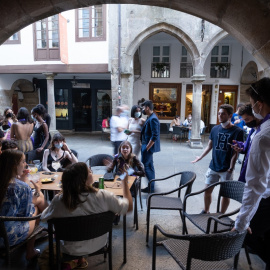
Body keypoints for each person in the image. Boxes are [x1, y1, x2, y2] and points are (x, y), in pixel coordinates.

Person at [41, 162, 133, 268]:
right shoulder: (104, 196)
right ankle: (79, 260)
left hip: (70, 249)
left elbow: (44, 217)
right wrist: (125, 184)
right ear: (83, 179)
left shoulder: (60, 201)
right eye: (89, 171)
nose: (92, 172)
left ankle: (75, 260)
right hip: (99, 244)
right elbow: (129, 207)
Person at [232, 78, 270, 270]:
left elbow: (256, 184)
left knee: (251, 238)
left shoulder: (263, 136)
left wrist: (241, 222)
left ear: (259, 104)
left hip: (267, 200)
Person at [191, 104, 244, 214]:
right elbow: (209, 146)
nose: (220, 116)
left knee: (225, 194)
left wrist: (231, 167)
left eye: (223, 114)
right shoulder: (215, 129)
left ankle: (221, 214)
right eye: (219, 113)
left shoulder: (237, 131)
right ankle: (206, 210)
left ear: (230, 115)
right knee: (207, 190)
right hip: (213, 166)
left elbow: (236, 152)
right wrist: (200, 157)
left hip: (227, 169)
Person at [0, 150, 48, 260]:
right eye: (23, 162)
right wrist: (36, 190)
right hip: (8, 237)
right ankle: (30, 251)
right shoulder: (21, 187)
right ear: (14, 165)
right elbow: (26, 214)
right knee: (35, 207)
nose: (25, 164)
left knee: (36, 200)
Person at [230, 104, 261, 183]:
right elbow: (247, 147)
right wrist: (240, 146)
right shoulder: (253, 130)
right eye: (244, 120)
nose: (246, 122)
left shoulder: (263, 131)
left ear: (255, 116)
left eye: (247, 119)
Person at [140, 100, 160, 193]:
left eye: (143, 107)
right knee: (150, 166)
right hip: (145, 145)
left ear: (147, 107)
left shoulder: (153, 118)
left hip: (147, 147)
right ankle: (151, 187)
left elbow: (155, 135)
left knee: (147, 167)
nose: (143, 109)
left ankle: (151, 188)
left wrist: (147, 147)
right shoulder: (150, 117)